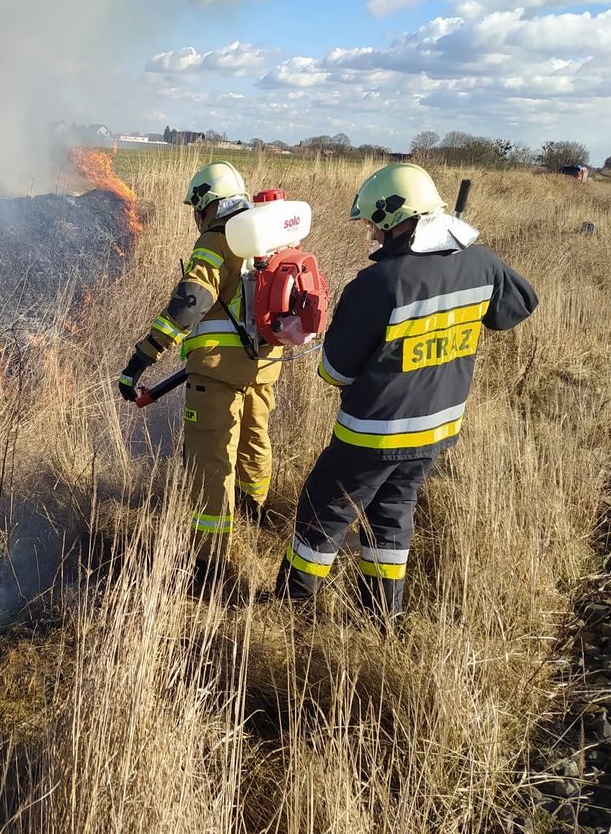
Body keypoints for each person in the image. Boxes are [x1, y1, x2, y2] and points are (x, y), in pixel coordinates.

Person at [274, 163, 538, 618]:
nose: (373, 234)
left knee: (324, 513)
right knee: (392, 518)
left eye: (376, 223)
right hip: (436, 430)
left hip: (373, 433)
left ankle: (290, 608)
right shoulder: (482, 262)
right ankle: (380, 617)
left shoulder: (378, 283)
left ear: (397, 218)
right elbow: (517, 306)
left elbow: (335, 372)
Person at [117, 160, 282, 579]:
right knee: (253, 441)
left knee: (210, 463)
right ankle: (253, 514)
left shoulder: (217, 238)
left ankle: (210, 563)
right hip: (263, 366)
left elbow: (188, 307)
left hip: (216, 373)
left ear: (207, 204)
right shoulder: (267, 233)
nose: (195, 216)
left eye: (196, 207)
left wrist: (142, 357)